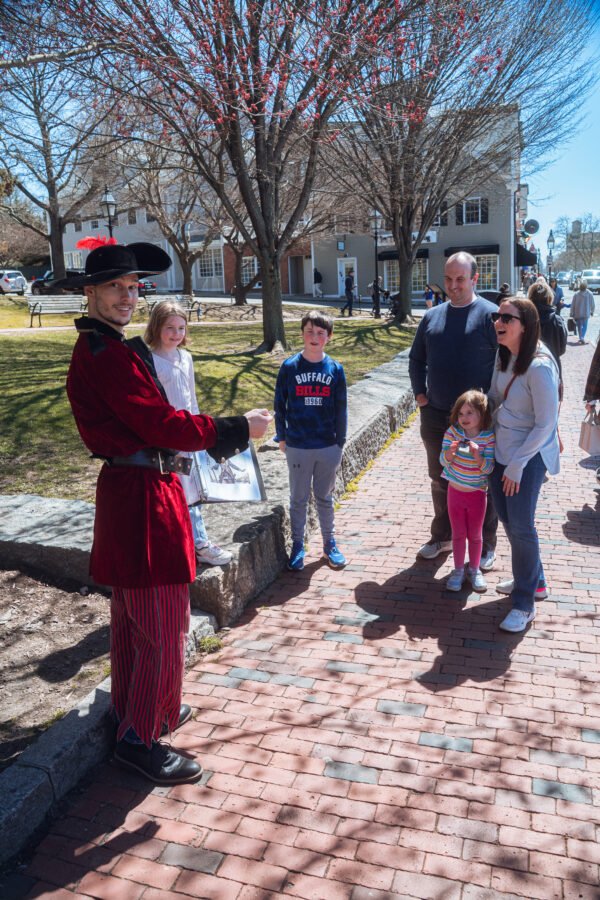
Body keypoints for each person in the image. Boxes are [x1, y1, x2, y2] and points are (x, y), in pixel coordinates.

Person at [65, 239, 271, 785]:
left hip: (141, 490)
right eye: (115, 286)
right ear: (90, 292)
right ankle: (139, 739)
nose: (127, 296)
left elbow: (157, 423)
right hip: (140, 497)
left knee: (138, 623)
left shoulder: (107, 348)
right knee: (159, 623)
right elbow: (161, 423)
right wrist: (235, 428)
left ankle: (145, 712)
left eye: (133, 287)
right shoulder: (105, 354)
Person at [409, 251, 499, 570]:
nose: (453, 285)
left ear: (474, 279)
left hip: (479, 421)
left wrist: (492, 406)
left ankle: (485, 544)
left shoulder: (490, 316)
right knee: (440, 478)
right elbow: (416, 359)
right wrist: (420, 393)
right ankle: (443, 536)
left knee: (483, 479)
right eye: (448, 279)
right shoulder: (432, 316)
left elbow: (505, 362)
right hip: (437, 416)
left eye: (460, 279)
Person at [488, 297, 560, 633]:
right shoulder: (503, 354)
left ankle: (524, 603)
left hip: (527, 459)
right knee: (507, 519)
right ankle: (535, 581)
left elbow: (546, 423)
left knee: (521, 526)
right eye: (497, 316)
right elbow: (494, 397)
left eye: (507, 318)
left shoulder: (539, 366)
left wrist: (517, 464)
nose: (499, 322)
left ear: (526, 325)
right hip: (501, 452)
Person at [144, 300, 232, 567]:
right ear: (156, 327)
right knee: (177, 492)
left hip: (189, 434)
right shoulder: (150, 362)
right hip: (167, 438)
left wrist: (200, 432)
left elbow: (191, 399)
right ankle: (191, 543)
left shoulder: (186, 358)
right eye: (170, 328)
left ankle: (198, 543)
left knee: (194, 489)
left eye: (181, 328)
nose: (176, 333)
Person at [274, 309, 347, 571]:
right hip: (298, 444)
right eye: (309, 332)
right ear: (302, 333)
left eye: (320, 332)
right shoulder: (290, 367)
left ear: (329, 336)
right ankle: (298, 545)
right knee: (299, 498)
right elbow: (279, 405)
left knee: (325, 497)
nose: (314, 337)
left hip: (327, 444)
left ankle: (329, 544)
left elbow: (341, 408)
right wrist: (282, 437)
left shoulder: (335, 369)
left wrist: (340, 442)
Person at [440, 390, 495, 593]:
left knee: (475, 535)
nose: (464, 417)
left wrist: (478, 455)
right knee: (458, 534)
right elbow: (442, 461)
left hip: (477, 494)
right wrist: (450, 452)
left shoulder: (488, 437)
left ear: (482, 414)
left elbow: (488, 469)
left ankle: (474, 569)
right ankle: (458, 571)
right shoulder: (452, 433)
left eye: (470, 413)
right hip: (454, 492)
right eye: (461, 413)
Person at [527, 281, 567, 387]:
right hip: (552, 368)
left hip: (526, 368)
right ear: (549, 298)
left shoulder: (523, 320)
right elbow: (562, 349)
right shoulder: (558, 320)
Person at [570, 279, 595, 344]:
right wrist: (592, 311)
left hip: (578, 313)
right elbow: (592, 304)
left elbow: (573, 304)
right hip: (586, 313)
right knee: (585, 326)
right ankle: (582, 337)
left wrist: (571, 312)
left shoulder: (576, 294)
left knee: (579, 326)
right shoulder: (590, 293)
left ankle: (581, 337)